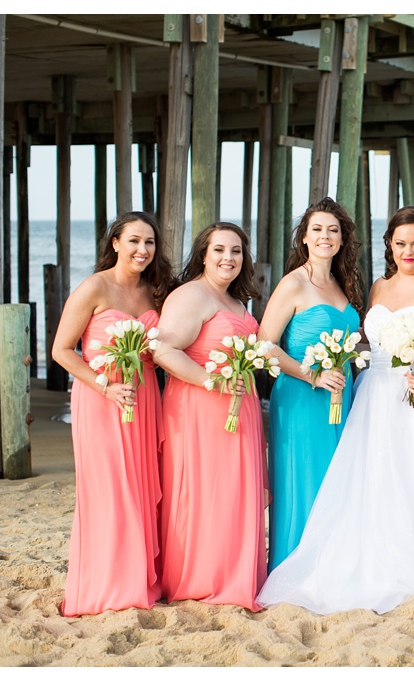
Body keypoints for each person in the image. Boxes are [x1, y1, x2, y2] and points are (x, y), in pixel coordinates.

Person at [257, 207, 414, 615]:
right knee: (371, 481)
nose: (409, 251)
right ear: (389, 244)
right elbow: (368, 347)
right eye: (401, 243)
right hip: (373, 398)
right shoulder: (377, 289)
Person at [47, 210, 175, 616]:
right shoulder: (93, 288)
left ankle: (138, 579)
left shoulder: (156, 293)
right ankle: (105, 583)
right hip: (101, 399)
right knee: (109, 491)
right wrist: (105, 385)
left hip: (145, 399)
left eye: (149, 242)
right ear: (115, 243)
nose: (142, 249)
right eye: (134, 241)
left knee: (141, 488)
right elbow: (61, 350)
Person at [147, 222, 267, 612]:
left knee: (234, 491)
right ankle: (201, 579)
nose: (228, 258)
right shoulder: (191, 296)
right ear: (203, 254)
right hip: (200, 409)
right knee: (205, 492)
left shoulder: (235, 301)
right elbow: (163, 349)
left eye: (236, 251)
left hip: (240, 408)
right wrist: (212, 382)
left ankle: (233, 575)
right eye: (219, 250)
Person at [256, 198, 364, 568]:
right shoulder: (294, 283)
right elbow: (263, 344)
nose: (325, 236)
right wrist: (312, 374)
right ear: (303, 237)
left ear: (341, 240)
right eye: (317, 229)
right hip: (302, 396)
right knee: (306, 477)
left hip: (341, 394)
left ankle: (333, 563)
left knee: (338, 477)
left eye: (333, 230)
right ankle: (297, 563)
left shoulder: (341, 283)